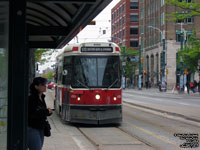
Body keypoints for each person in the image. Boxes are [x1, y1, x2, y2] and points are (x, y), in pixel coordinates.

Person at [27, 77, 54, 150]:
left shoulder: (42, 97)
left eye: (45, 84)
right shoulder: (31, 99)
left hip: (41, 128)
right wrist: (46, 111)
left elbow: (41, 111)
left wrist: (48, 112)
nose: (45, 86)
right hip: (32, 128)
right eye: (42, 84)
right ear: (36, 86)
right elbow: (32, 113)